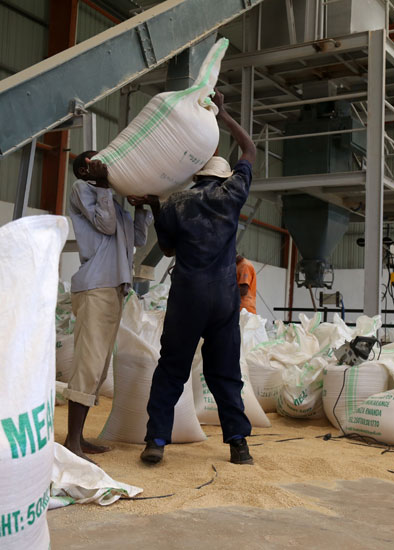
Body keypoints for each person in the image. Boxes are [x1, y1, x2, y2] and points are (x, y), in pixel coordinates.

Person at [135, 89, 257, 466]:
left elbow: (168, 250)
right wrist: (223, 114)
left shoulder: (176, 204)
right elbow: (250, 151)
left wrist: (155, 205)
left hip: (187, 296)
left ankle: (156, 440)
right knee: (225, 374)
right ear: (221, 176)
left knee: (172, 369)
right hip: (222, 299)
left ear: (197, 176)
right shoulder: (232, 193)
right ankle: (238, 446)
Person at [64, 150, 153, 462]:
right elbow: (104, 226)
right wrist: (103, 186)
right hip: (96, 286)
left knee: (98, 368)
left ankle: (78, 438)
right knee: (89, 364)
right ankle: (72, 443)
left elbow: (138, 239)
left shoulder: (112, 201)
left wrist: (141, 208)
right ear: (84, 170)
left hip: (113, 288)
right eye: (96, 163)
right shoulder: (83, 190)